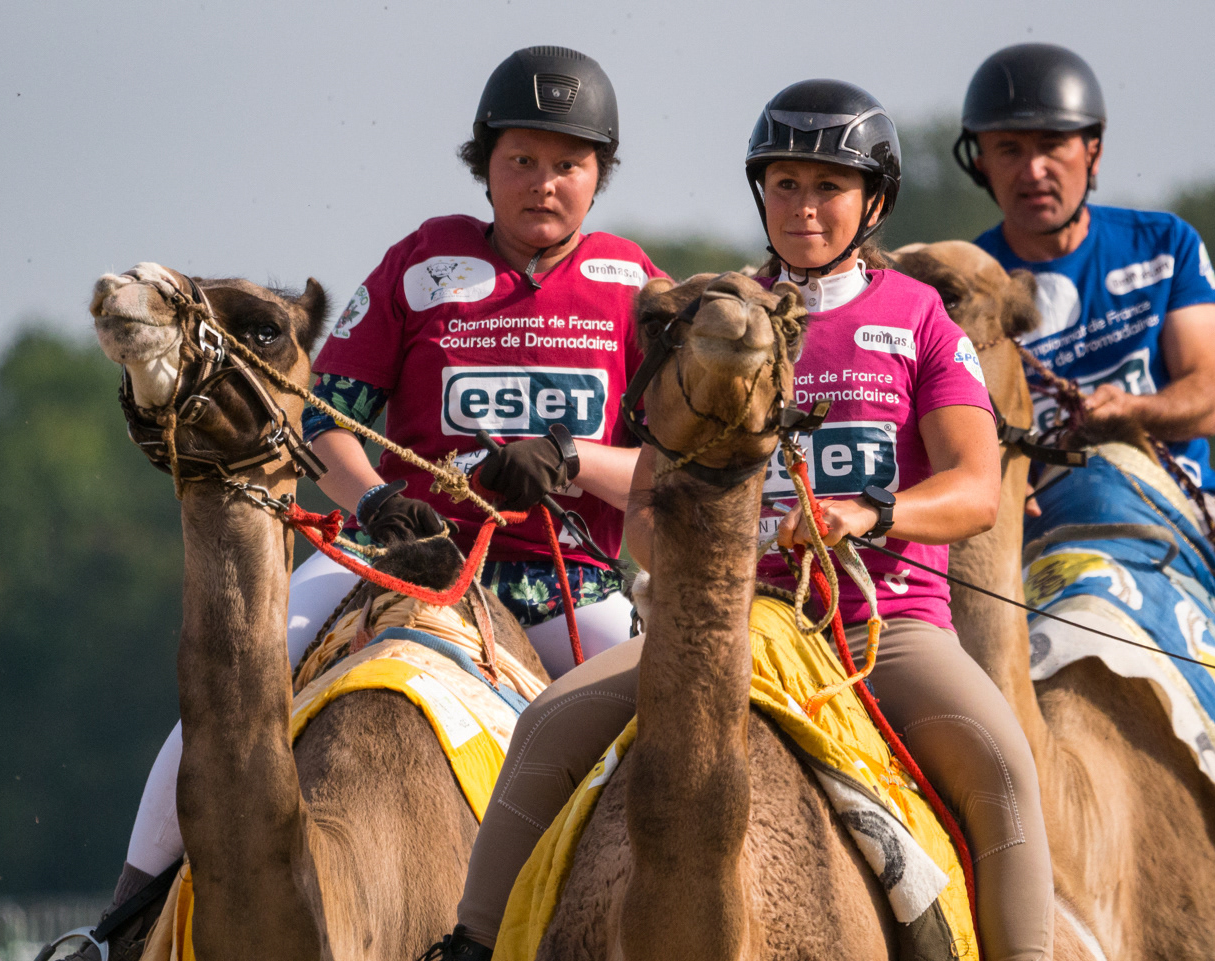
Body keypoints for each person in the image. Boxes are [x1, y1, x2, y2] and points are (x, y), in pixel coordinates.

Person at [425, 80, 1054, 961]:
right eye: (785, 184)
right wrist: (694, 552)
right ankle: (469, 945)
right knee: (544, 728)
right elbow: (646, 507)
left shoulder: (920, 319)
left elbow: (977, 489)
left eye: (828, 187)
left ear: (874, 202)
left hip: (884, 629)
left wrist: (866, 513)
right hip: (726, 622)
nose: (804, 207)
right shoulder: (715, 321)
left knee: (1002, 764)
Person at [68, 46, 661, 961]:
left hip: (564, 588)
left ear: (600, 174)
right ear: (486, 163)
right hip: (395, 559)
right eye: (521, 160)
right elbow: (324, 420)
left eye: (568, 164)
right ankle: (117, 929)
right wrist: (379, 499)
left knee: (676, 736)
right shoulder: (421, 263)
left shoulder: (636, 286)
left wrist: (571, 459)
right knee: (223, 707)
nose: (543, 183)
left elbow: (670, 468)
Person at [955, 43, 1215, 522]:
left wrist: (1131, 410)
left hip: (1183, 502)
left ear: (1092, 152)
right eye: (1010, 149)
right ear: (982, 164)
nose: (1033, 170)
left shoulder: (1165, 244)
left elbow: (1206, 402)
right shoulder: (964, 287)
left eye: (1052, 145)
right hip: (1036, 521)